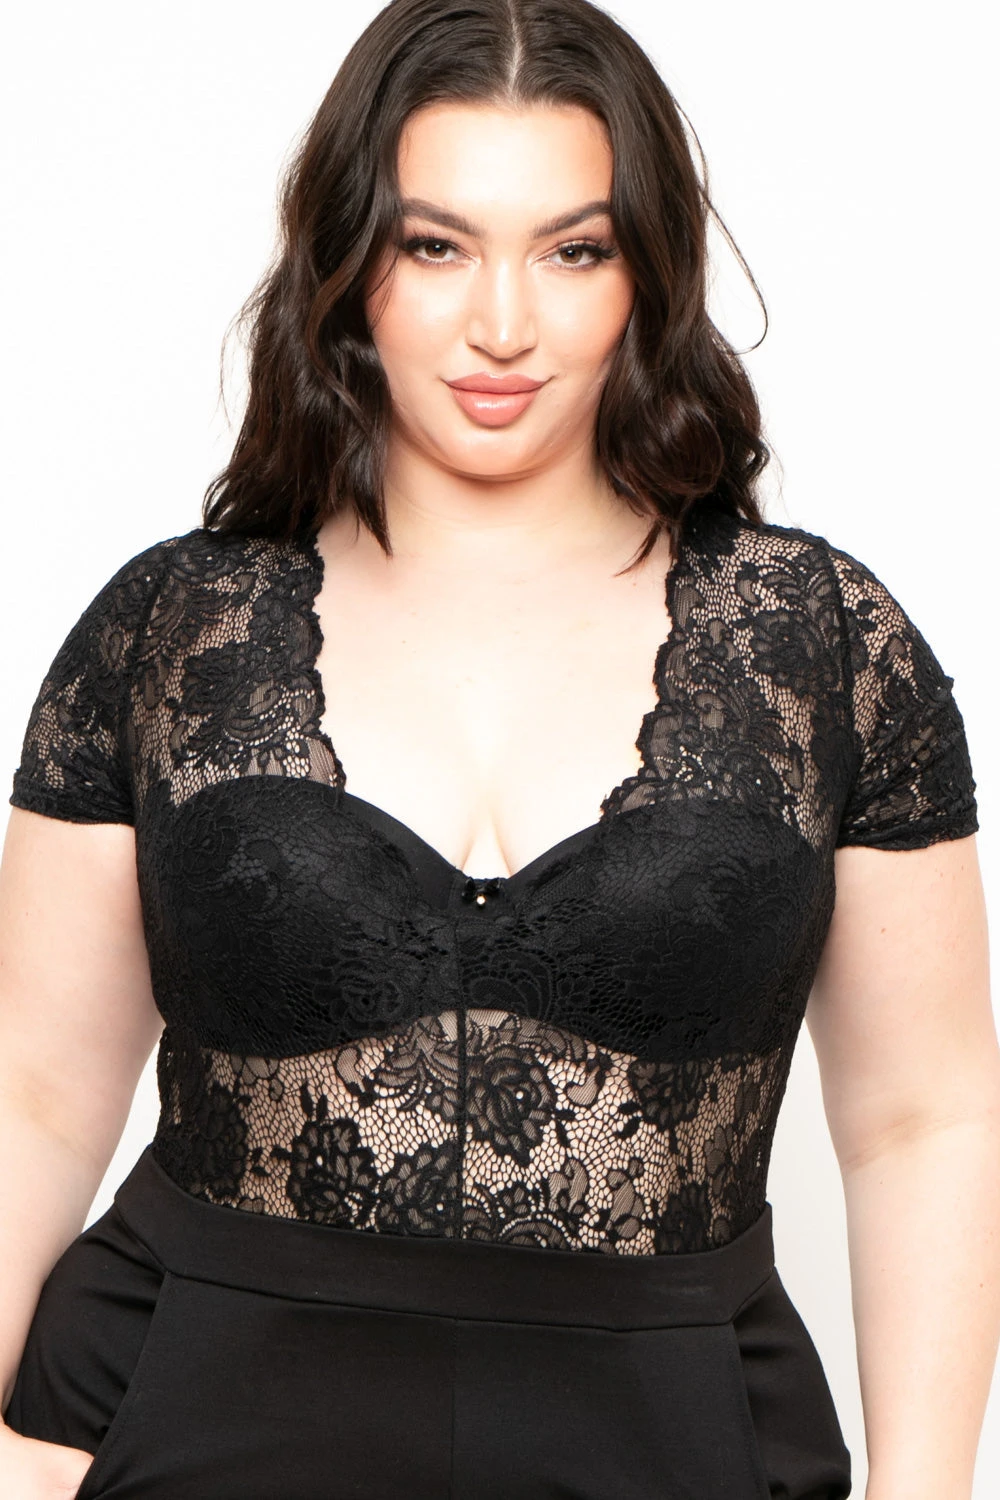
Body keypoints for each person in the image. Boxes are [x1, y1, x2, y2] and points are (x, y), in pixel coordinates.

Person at [1, 0, 997, 1496]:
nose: (504, 325)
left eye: (573, 251)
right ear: (352, 267)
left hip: (681, 1447)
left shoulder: (824, 644)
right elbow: (33, 1089)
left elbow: (924, 1120)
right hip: (163, 1434)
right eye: (436, 245)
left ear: (646, 275)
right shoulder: (170, 629)